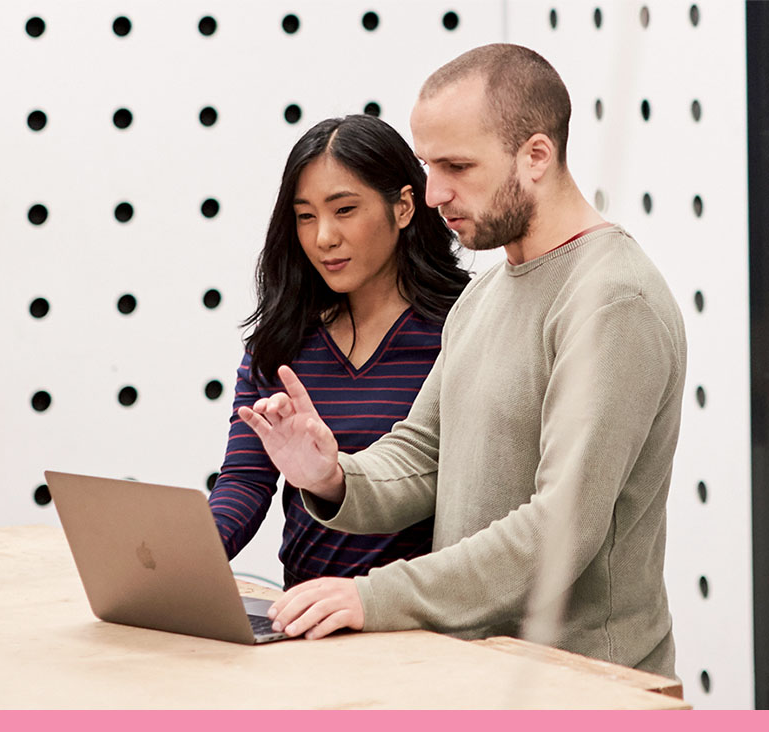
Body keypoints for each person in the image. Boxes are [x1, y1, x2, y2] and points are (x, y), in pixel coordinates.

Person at [238, 44, 685, 678]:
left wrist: (373, 595)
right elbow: (424, 454)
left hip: (581, 687)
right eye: (427, 165)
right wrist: (334, 476)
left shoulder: (613, 300)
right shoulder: (485, 292)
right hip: (482, 673)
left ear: (535, 155)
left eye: (457, 166)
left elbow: (559, 529)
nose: (432, 192)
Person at [209, 114, 470, 590]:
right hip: (304, 613)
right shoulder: (282, 342)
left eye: (344, 210)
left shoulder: (465, 328)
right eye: (305, 216)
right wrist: (185, 561)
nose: (323, 236)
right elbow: (244, 482)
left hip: (421, 627)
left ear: (405, 208)